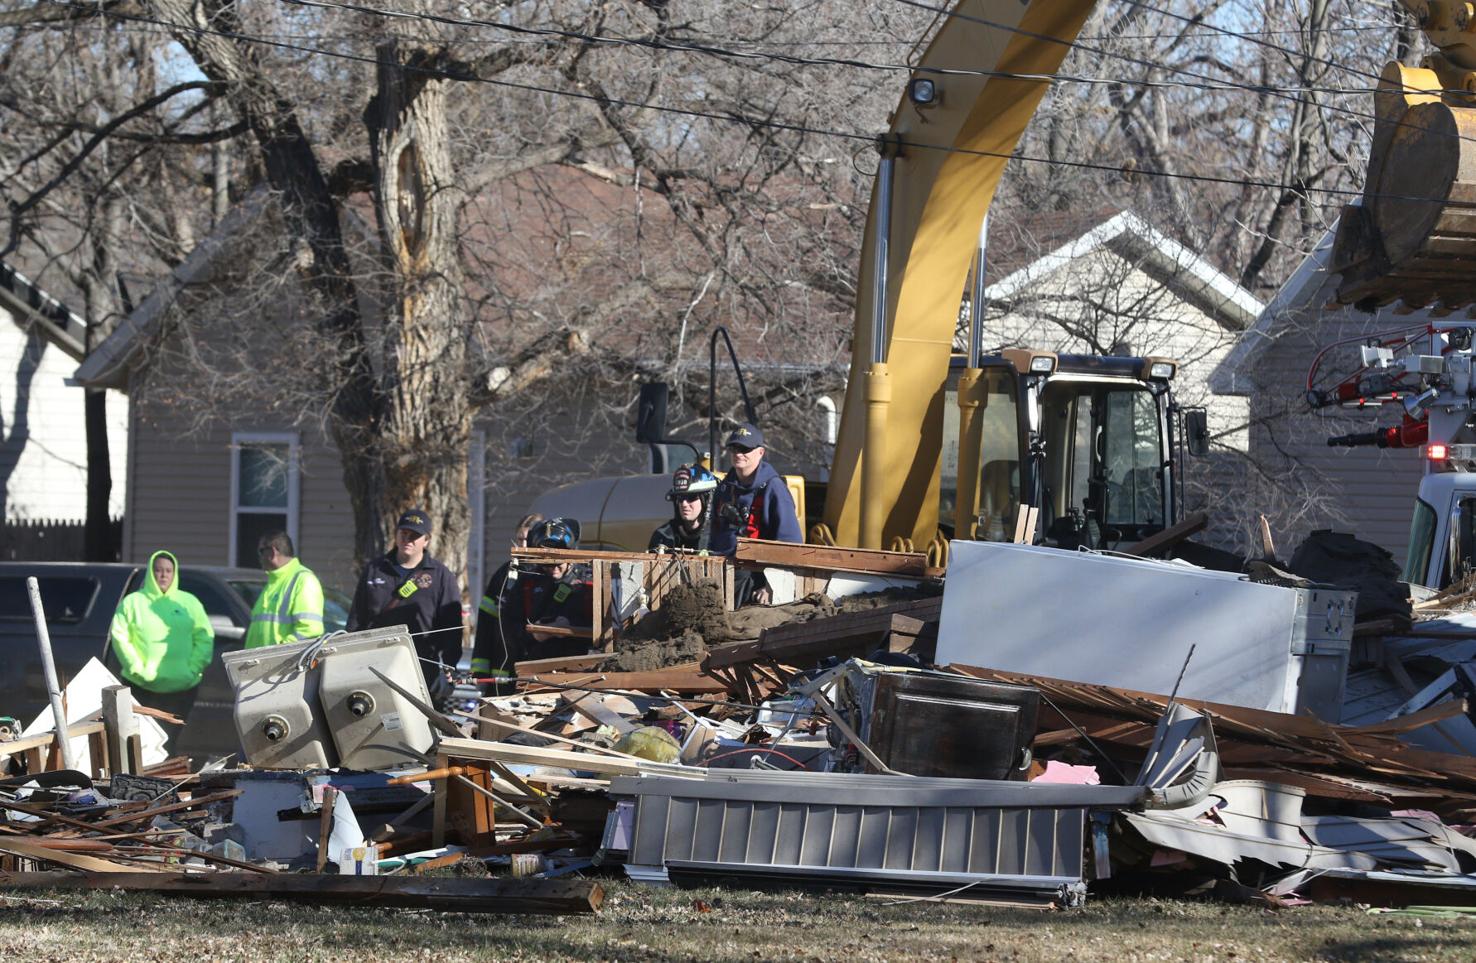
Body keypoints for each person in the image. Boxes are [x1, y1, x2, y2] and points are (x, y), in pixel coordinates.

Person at [347, 508, 463, 703]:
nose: (408, 539)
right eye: (404, 533)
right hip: (377, 666)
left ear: (426, 540)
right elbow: (356, 620)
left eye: (415, 536)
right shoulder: (375, 570)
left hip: (422, 667)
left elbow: (452, 629)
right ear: (396, 534)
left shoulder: (440, 575)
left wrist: (450, 668)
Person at [109, 551, 214, 751]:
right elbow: (120, 636)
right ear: (151, 572)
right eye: (158, 570)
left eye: (168, 570)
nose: (163, 575)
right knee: (141, 744)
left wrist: (192, 669)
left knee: (169, 744)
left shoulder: (189, 602)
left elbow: (204, 637)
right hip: (141, 686)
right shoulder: (133, 602)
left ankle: (168, 770)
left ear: (175, 573)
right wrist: (136, 668)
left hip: (182, 688)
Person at [710, 423, 803, 605]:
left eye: (745, 449)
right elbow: (714, 538)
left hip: (756, 580)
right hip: (722, 577)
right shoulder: (723, 489)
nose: (738, 454)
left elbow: (791, 544)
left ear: (760, 452)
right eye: (734, 448)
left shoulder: (774, 489)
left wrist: (772, 585)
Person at [500, 517, 594, 662]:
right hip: (533, 664)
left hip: (579, 664)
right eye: (548, 564)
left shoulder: (588, 583)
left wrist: (571, 627)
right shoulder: (528, 583)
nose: (554, 569)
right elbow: (508, 627)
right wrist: (534, 635)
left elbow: (604, 629)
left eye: (559, 564)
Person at [470, 512, 543, 693]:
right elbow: (485, 626)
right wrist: (479, 672)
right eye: (519, 539)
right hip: (501, 674)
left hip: (535, 675)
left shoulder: (548, 575)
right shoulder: (503, 575)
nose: (523, 545)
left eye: (528, 540)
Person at [245, 530, 325, 649]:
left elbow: (310, 631)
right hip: (258, 660)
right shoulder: (273, 582)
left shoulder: (303, 580)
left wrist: (279, 653)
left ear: (272, 552)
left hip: (281, 660)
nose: (259, 558)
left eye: (261, 551)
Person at [648, 464, 719, 553]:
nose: (684, 504)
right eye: (680, 497)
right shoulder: (663, 537)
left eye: (691, 497)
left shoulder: (719, 537)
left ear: (706, 500)